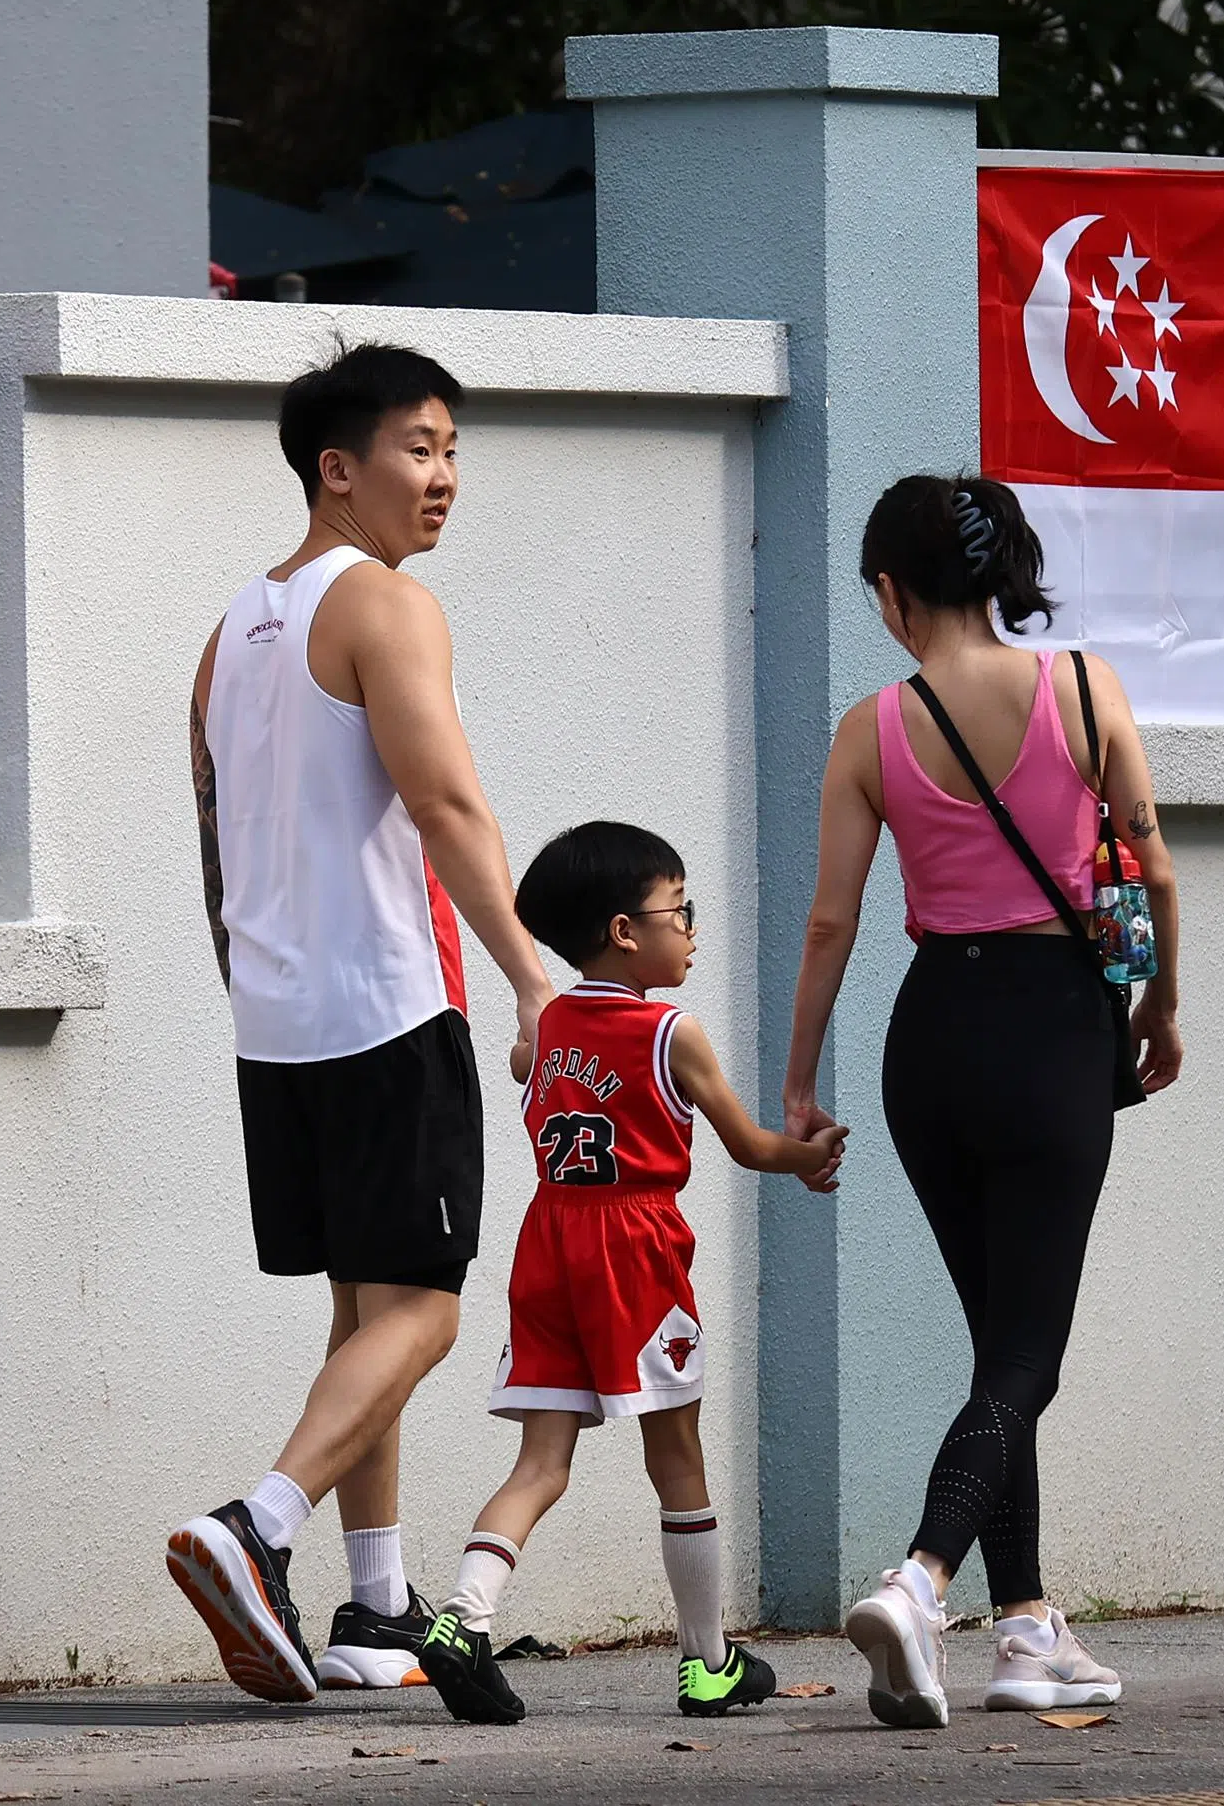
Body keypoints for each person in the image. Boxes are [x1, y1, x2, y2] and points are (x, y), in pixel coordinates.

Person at [171, 343, 560, 1703]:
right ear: (338, 468)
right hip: (392, 1004)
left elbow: (215, 849)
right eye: (417, 446)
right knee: (431, 1311)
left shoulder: (230, 629)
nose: (443, 475)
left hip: (276, 1021)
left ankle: (377, 1608)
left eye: (453, 446)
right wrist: (530, 973)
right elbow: (448, 805)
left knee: (363, 1311)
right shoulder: (386, 606)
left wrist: (252, 992)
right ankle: (255, 1525)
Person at [781, 473, 1185, 1728]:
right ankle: (920, 1581)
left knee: (998, 1347)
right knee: (1026, 1351)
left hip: (930, 1042)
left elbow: (833, 918)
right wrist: (1158, 1007)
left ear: (895, 593)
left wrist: (797, 1079)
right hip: (1056, 1029)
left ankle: (1028, 1630)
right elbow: (1147, 863)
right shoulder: (1081, 687)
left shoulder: (872, 728)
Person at [415, 821, 847, 1726]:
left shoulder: (544, 1032)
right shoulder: (671, 1032)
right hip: (636, 1252)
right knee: (677, 1458)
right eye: (678, 908)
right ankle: (707, 1662)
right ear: (623, 930)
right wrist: (804, 1153)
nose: (690, 926)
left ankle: (462, 1619)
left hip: (549, 1246)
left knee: (540, 1460)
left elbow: (535, 1078)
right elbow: (746, 1145)